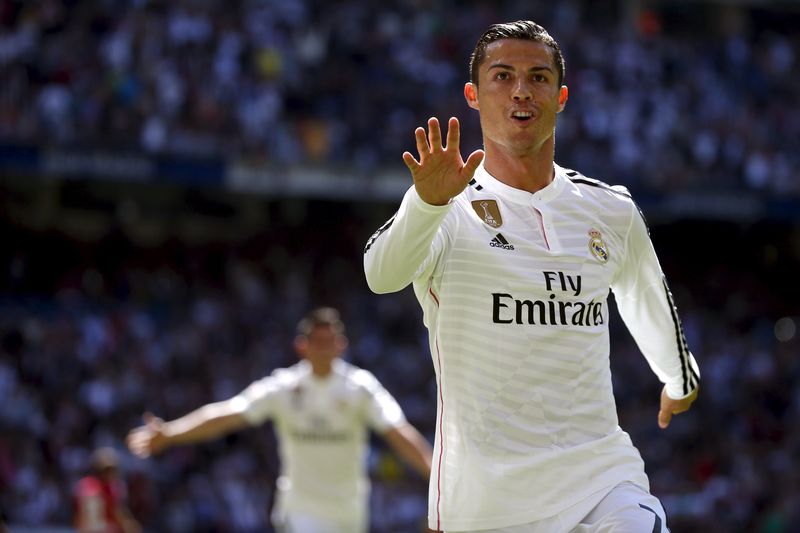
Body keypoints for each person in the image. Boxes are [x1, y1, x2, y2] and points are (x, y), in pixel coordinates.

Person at [364, 20, 700, 533]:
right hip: (485, 502)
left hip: (600, 476)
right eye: (502, 76)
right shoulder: (445, 208)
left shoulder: (610, 210)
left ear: (561, 96)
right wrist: (425, 201)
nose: (521, 89)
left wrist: (679, 379)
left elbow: (645, 298)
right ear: (473, 96)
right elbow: (380, 274)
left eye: (538, 77)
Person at [126, 307, 433, 533]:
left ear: (342, 345)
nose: (326, 349)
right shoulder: (283, 387)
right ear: (302, 346)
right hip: (298, 513)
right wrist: (171, 433)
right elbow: (227, 413)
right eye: (319, 341)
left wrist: (437, 477)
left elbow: (398, 433)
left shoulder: (361, 388)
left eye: (332, 341)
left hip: (349, 515)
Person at [73, 447, 141, 533]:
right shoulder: (97, 487)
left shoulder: (109, 487)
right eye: (107, 470)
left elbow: (118, 511)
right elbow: (93, 522)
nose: (111, 473)